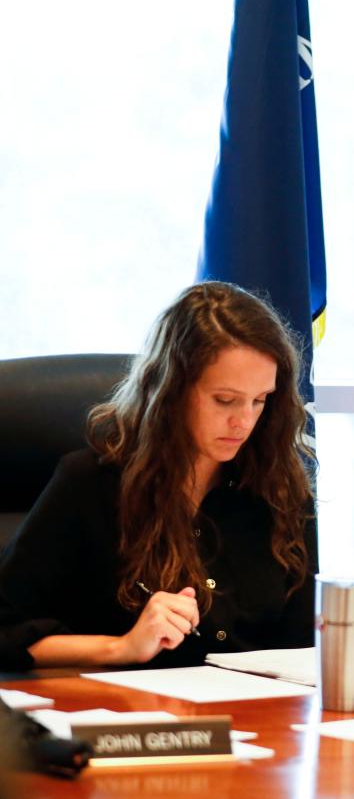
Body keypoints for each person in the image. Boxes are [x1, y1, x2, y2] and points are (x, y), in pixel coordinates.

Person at [0, 282, 317, 670]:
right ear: (172, 390)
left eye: (260, 400)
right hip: (125, 718)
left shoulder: (280, 490)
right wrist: (122, 647)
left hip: (259, 719)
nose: (244, 421)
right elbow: (5, 631)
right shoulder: (89, 484)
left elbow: (302, 647)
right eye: (225, 400)